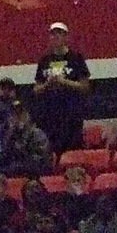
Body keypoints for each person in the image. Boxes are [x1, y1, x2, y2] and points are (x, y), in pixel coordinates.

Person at [32, 22, 91, 157]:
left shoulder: (76, 59)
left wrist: (64, 82)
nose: (55, 36)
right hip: (49, 117)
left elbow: (85, 87)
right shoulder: (44, 61)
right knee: (50, 153)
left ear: (66, 37)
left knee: (72, 153)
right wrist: (48, 84)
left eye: (59, 33)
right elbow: (36, 89)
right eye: (53, 34)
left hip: (71, 116)